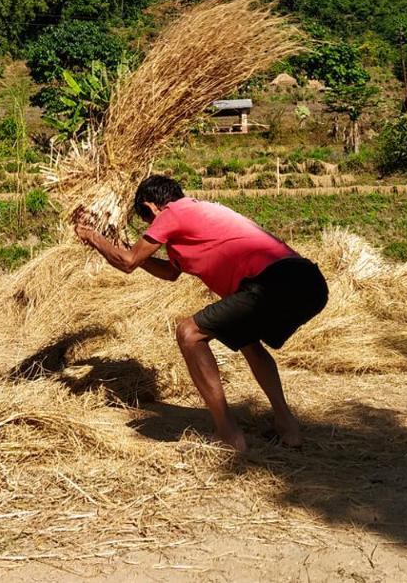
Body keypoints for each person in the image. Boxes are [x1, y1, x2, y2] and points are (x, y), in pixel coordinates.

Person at [73, 174, 328, 453]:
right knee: (248, 341)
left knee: (189, 333)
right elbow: (170, 273)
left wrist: (90, 235)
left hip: (274, 282)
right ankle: (287, 427)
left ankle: (228, 436)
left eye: (147, 219)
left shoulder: (173, 212)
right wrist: (133, 254)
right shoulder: (202, 212)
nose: (151, 228)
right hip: (308, 282)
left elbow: (128, 262)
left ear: (152, 206)